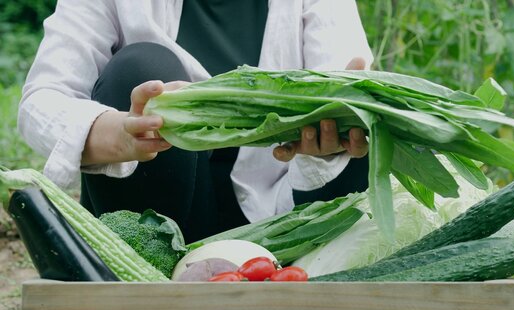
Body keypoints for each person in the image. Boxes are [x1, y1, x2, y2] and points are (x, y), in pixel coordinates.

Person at [19, 0, 374, 242]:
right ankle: (150, 285)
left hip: (283, 210)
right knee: (141, 68)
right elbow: (42, 99)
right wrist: (119, 134)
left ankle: (314, 290)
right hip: (159, 197)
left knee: (361, 101)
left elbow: (343, 71)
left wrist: (335, 127)